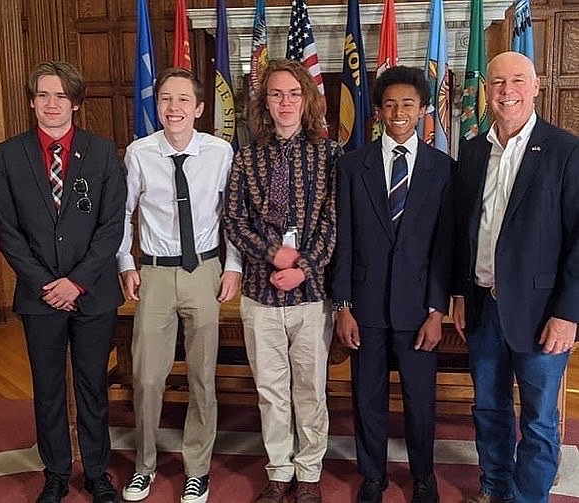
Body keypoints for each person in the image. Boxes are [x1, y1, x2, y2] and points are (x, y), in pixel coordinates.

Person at [0, 61, 127, 503]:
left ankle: (97, 472)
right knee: (48, 390)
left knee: (91, 387)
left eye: (61, 96)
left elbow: (111, 227)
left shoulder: (103, 151)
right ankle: (55, 471)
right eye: (44, 95)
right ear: (32, 101)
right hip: (39, 295)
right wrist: (47, 283)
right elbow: (7, 230)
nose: (52, 104)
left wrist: (77, 282)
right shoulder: (9, 154)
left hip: (93, 293)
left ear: (76, 103)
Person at [453, 51, 579, 503]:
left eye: (518, 81)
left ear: (537, 86)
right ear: (487, 90)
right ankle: (494, 488)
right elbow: (462, 231)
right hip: (484, 308)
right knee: (488, 409)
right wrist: (460, 294)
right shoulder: (470, 151)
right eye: (498, 82)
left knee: (540, 421)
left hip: (542, 314)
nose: (507, 91)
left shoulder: (565, 149)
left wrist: (568, 313)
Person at [117, 67, 241, 503]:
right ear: (158, 105)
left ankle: (197, 469)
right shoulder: (139, 152)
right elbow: (124, 213)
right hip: (153, 274)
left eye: (184, 100)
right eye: (166, 99)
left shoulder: (220, 152)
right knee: (147, 378)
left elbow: (234, 215)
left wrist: (234, 265)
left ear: (200, 108)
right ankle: (144, 466)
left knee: (202, 378)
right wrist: (125, 262)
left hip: (204, 272)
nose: (174, 108)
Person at [331, 66, 454, 503]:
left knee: (421, 401)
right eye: (389, 105)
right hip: (364, 308)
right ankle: (373, 474)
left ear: (423, 110)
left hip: (420, 308)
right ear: (378, 112)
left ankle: (423, 476)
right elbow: (342, 240)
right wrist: (342, 306)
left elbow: (445, 247)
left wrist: (438, 310)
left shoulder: (443, 169)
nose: (398, 112)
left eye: (407, 104)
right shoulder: (351, 166)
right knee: (367, 398)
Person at [223, 59, 341, 503]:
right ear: (264, 102)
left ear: (307, 99)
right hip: (259, 293)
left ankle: (309, 473)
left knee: (309, 389)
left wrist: (304, 266)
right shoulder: (247, 156)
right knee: (271, 391)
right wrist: (274, 255)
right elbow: (234, 220)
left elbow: (334, 222)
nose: (285, 102)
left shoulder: (330, 155)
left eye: (293, 93)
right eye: (276, 94)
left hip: (311, 295)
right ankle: (279, 471)